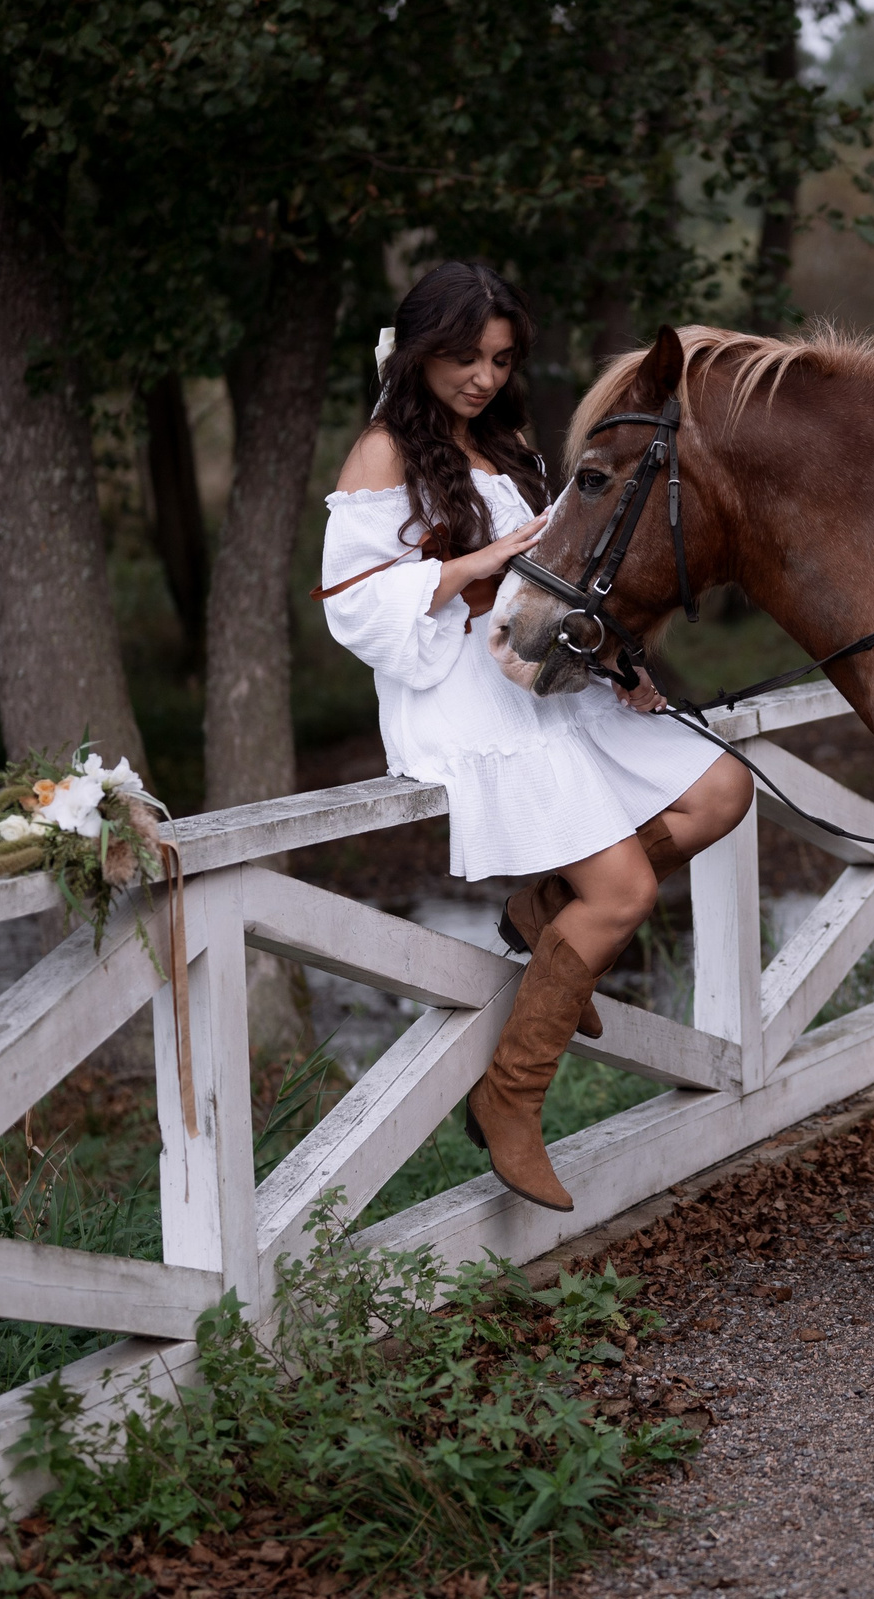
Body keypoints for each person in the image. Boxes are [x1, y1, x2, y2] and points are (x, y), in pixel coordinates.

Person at [319, 261, 753, 1212]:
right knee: (627, 888)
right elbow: (350, 607)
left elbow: (553, 582)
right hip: (458, 689)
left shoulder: (504, 443)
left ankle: (546, 907)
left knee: (723, 788)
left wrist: (611, 658)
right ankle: (509, 1097)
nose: (482, 374)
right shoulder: (384, 452)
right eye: (466, 355)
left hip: (535, 674)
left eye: (500, 357)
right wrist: (479, 559)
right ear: (423, 346)